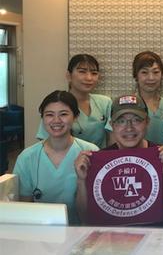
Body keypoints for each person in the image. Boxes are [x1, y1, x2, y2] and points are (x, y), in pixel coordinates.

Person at [74, 94, 163, 224]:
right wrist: (81, 180)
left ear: (147, 122)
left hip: (155, 236)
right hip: (111, 238)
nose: (129, 128)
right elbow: (85, 217)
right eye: (121, 121)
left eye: (136, 120)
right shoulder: (98, 162)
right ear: (111, 125)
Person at [13, 90, 99, 224]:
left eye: (63, 114)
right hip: (40, 233)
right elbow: (24, 210)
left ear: (75, 117)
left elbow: (94, 210)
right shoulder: (27, 158)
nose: (56, 120)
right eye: (49, 115)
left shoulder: (90, 152)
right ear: (43, 118)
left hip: (80, 232)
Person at [36, 54, 112, 148]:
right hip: (67, 158)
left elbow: (113, 138)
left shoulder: (105, 103)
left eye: (94, 73)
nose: (89, 78)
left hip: (100, 159)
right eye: (82, 72)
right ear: (69, 76)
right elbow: (45, 141)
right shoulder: (57, 104)